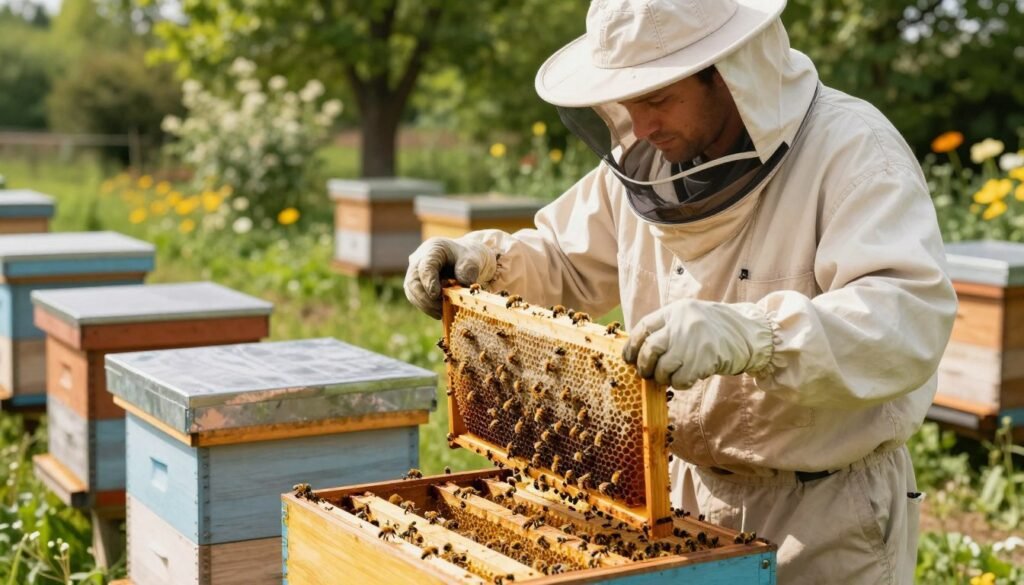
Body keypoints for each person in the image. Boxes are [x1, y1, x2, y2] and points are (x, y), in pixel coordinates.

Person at [404, 0, 957, 582]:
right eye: (627, 104)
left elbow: (904, 317)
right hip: (679, 494)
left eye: (657, 99)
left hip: (824, 514)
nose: (641, 126)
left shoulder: (854, 152)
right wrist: (485, 263)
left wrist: (756, 335)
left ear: (729, 74)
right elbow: (566, 261)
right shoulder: (648, 163)